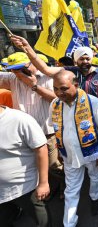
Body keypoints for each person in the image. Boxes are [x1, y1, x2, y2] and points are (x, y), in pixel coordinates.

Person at [9, 36, 98, 187]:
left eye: (87, 58)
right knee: (78, 147)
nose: (85, 61)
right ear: (76, 60)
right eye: (81, 59)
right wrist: (27, 47)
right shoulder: (68, 72)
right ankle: (83, 175)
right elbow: (44, 68)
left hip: (97, 115)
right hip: (74, 117)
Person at [49, 70, 98, 227]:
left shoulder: (93, 102)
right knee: (71, 189)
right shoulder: (54, 104)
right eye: (55, 89)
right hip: (69, 155)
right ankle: (69, 223)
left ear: (76, 85)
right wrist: (58, 151)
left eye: (63, 88)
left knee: (95, 176)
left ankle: (96, 198)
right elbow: (56, 129)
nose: (59, 92)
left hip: (92, 152)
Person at [0, 52, 65, 198]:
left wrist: (34, 86)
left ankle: (65, 184)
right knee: (33, 164)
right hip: (21, 133)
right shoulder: (12, 78)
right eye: (12, 69)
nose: (16, 72)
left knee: (54, 164)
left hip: (46, 131)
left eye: (20, 68)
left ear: (32, 64)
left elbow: (58, 100)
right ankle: (45, 187)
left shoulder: (49, 78)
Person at [0, 106, 50, 227]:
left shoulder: (19, 119)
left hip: (26, 186)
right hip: (1, 193)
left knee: (43, 222)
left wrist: (43, 183)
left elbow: (41, 149)